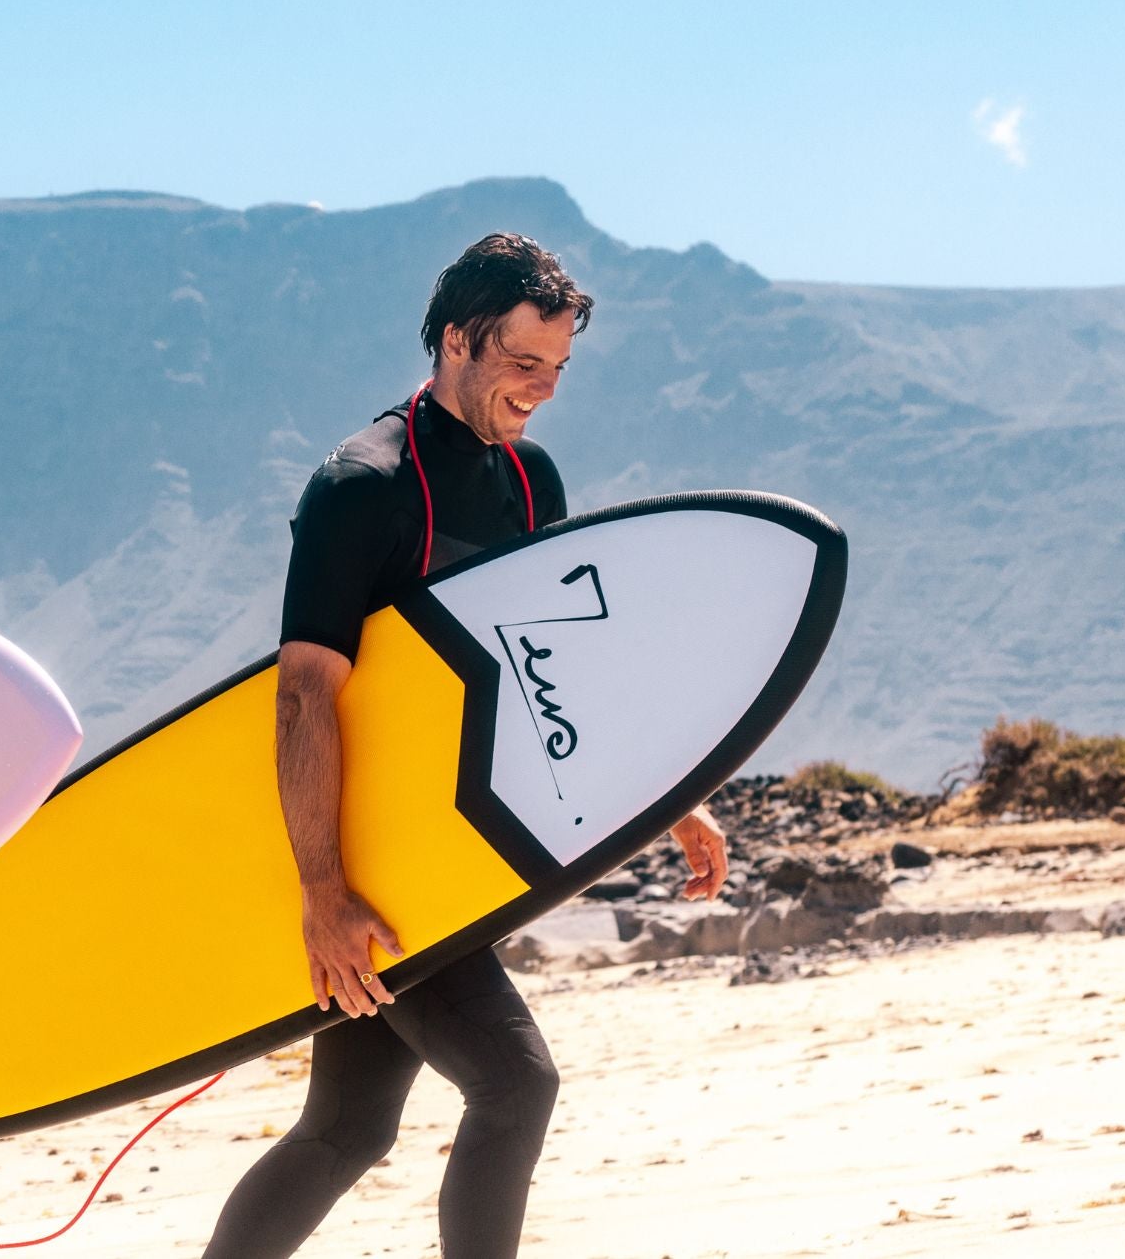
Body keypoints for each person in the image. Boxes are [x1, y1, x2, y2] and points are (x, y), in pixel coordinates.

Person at [205, 233, 731, 1259]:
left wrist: (672, 796)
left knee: (348, 1129)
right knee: (515, 1083)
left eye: (557, 370)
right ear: (455, 341)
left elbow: (558, 670)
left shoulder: (532, 485)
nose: (540, 391)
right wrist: (323, 888)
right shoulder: (362, 486)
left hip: (454, 856)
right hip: (368, 863)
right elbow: (305, 697)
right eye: (521, 364)